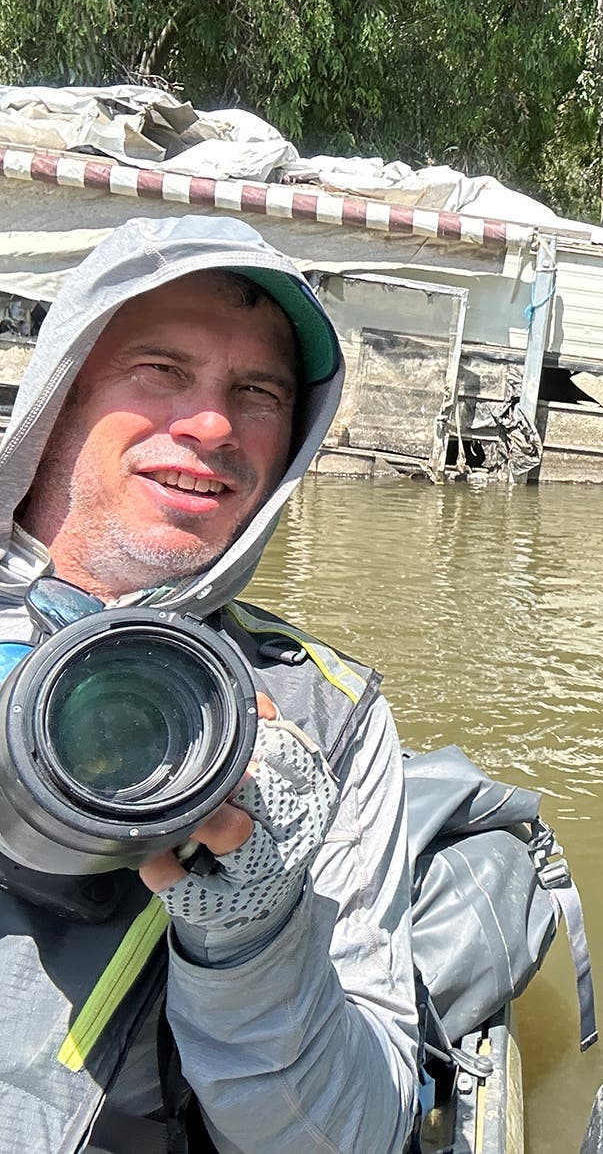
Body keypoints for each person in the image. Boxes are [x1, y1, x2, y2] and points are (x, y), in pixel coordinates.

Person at [0, 215, 419, 1154]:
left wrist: (254, 931)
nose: (213, 425)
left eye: (257, 391)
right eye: (160, 370)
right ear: (61, 390)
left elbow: (355, 1137)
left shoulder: (321, 718)